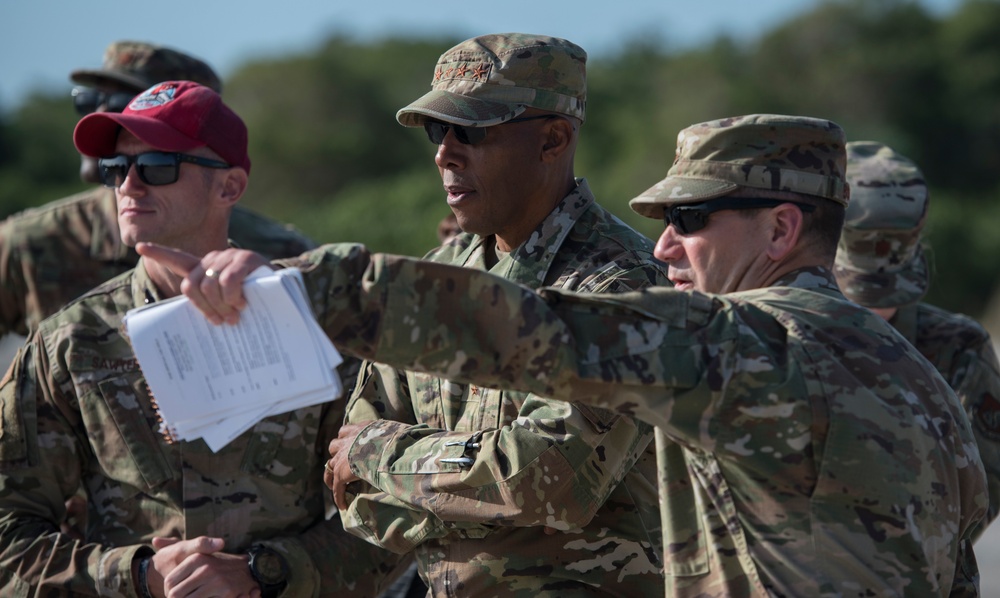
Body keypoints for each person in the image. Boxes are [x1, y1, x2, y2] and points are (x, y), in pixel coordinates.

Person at [143, 113, 988, 596]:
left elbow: (527, 330)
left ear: (781, 229)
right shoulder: (921, 377)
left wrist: (304, 291)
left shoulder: (742, 345)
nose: (664, 250)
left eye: (691, 221)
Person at [0, 81, 399, 597]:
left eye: (157, 166)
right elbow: (8, 531)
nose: (129, 186)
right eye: (116, 169)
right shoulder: (70, 343)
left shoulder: (311, 322)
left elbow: (392, 509)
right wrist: (138, 575)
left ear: (229, 187)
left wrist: (271, 571)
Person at [336, 33, 669, 596]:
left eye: (472, 131)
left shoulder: (623, 288)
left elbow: (551, 482)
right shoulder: (432, 280)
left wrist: (380, 454)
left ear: (553, 139)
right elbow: (350, 493)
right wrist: (481, 494)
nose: (444, 153)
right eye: (440, 132)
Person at [0, 40, 315, 341]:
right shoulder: (25, 245)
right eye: (88, 100)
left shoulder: (277, 253)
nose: (96, 110)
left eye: (128, 104)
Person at [834, 140, 1000, 539]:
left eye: (887, 298)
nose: (875, 313)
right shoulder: (774, 332)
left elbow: (980, 496)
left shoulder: (958, 347)